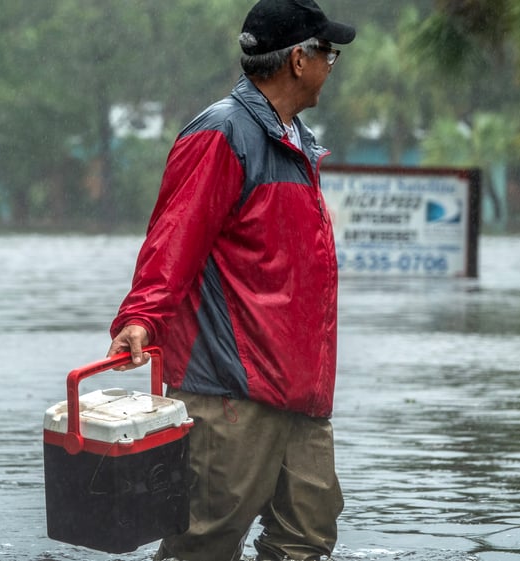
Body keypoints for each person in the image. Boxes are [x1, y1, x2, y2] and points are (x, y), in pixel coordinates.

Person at [107, 0, 355, 559]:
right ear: (298, 60)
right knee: (204, 542)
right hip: (230, 393)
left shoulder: (297, 141)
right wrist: (140, 317)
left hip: (302, 394)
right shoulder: (222, 133)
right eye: (328, 54)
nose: (331, 66)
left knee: (307, 539)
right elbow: (173, 241)